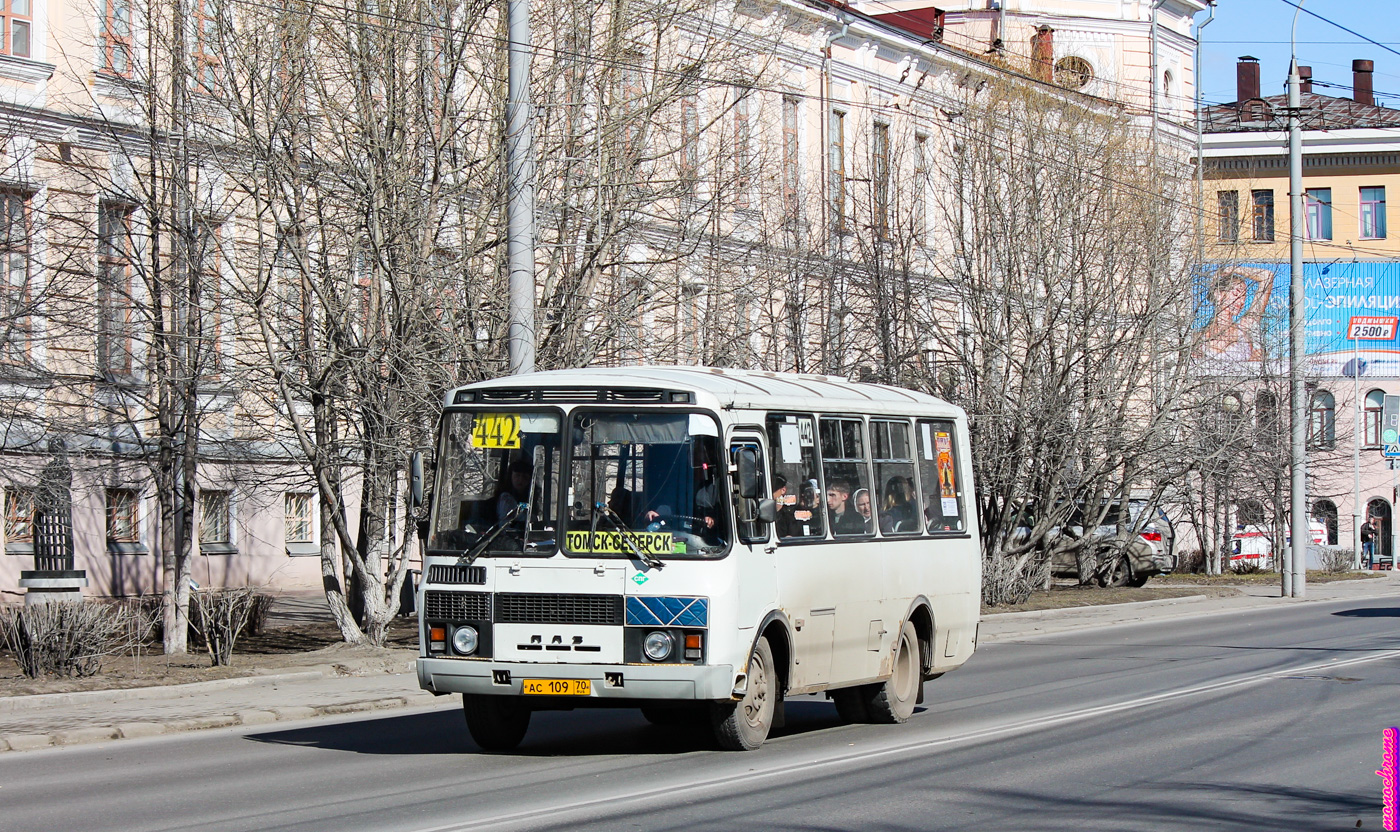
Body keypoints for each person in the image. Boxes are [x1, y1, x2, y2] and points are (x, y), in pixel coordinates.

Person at [495, 457, 533, 521]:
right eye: (517, 475)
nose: (520, 480)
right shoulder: (506, 498)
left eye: (525, 477)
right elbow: (505, 523)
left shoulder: (532, 497)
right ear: (510, 477)